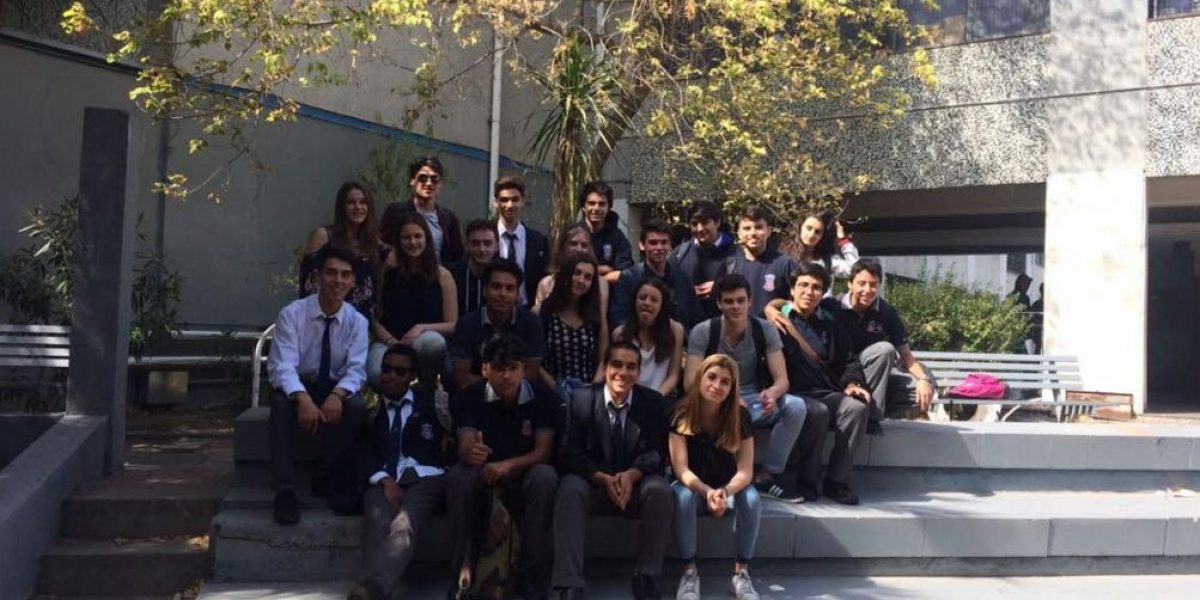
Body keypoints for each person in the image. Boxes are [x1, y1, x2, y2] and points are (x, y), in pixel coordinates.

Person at [552, 341, 673, 600]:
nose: (623, 372)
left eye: (631, 367)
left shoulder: (653, 403)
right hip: (594, 484)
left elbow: (657, 452)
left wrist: (631, 475)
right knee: (569, 489)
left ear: (639, 372)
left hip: (634, 487)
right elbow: (570, 453)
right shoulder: (581, 399)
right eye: (616, 364)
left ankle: (647, 575)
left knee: (660, 491)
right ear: (605, 367)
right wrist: (602, 478)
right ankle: (569, 583)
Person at [446, 334, 559, 600]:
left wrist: (507, 466)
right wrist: (471, 452)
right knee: (459, 477)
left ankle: (531, 574)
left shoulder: (543, 397)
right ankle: (462, 572)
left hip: (523, 471)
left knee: (545, 478)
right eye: (498, 368)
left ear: (523, 369)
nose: (506, 376)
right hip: (483, 472)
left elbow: (543, 452)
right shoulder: (470, 396)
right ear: (485, 369)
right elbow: (465, 443)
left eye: (513, 368)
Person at [267, 245, 369, 525]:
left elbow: (356, 369)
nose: (338, 281)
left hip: (332, 387)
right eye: (331, 273)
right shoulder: (292, 314)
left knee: (356, 407)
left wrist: (337, 395)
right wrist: (303, 399)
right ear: (317, 277)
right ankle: (285, 490)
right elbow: (282, 366)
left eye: (345, 275)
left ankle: (330, 476)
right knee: (280, 403)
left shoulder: (357, 322)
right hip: (298, 385)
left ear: (353, 281)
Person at [685, 274, 806, 503]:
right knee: (733, 412)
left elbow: (782, 380)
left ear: (750, 302)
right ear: (719, 303)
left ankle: (768, 476)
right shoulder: (704, 331)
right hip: (714, 399)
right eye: (729, 301)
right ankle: (724, 477)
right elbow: (690, 382)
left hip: (753, 398)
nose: (735, 306)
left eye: (741, 300)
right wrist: (728, 399)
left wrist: (772, 393)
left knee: (796, 406)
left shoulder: (765, 330)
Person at [349, 345, 452, 600]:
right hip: (383, 476)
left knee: (404, 523)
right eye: (386, 369)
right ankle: (371, 590)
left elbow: (454, 439)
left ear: (412, 376)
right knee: (377, 521)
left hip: (426, 477)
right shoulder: (372, 410)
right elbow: (360, 451)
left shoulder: (433, 403)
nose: (391, 376)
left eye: (400, 371)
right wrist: (384, 480)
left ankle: (371, 590)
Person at [776, 263, 871, 505]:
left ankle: (836, 481)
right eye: (803, 285)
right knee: (817, 412)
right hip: (791, 393)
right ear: (792, 289)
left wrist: (852, 383)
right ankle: (806, 481)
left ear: (822, 293)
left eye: (816, 287)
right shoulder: (778, 321)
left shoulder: (831, 323)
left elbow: (849, 359)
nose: (809, 292)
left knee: (856, 408)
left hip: (826, 391)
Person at [669, 354, 761, 600]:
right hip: (693, 486)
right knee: (682, 497)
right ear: (700, 378)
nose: (717, 385)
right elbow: (680, 468)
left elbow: (746, 471)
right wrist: (706, 491)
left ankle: (741, 573)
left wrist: (724, 492)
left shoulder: (740, 416)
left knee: (752, 499)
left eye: (725, 382)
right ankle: (689, 572)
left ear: (732, 388)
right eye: (711, 377)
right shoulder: (681, 412)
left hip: (727, 488)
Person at [369, 212, 458, 390]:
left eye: (418, 236)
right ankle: (391, 404)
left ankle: (425, 389)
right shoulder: (386, 272)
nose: (413, 242)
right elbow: (372, 316)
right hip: (388, 341)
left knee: (434, 343)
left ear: (427, 239)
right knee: (376, 373)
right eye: (406, 237)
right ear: (398, 241)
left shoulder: (442, 275)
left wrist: (421, 328)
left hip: (422, 343)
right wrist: (390, 341)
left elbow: (452, 324)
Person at [448, 258, 545, 389]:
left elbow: (531, 374)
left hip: (518, 395)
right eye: (496, 287)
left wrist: (502, 388)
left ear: (517, 294)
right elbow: (462, 378)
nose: (503, 294)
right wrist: (500, 387)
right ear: (484, 290)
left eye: (510, 288)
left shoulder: (531, 323)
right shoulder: (466, 324)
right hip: (477, 394)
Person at [298, 181, 390, 318]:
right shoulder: (324, 236)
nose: (358, 207)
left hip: (363, 322)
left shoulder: (371, 243)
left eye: (363, 202)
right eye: (351, 202)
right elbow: (308, 284)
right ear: (342, 207)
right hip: (326, 319)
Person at [533, 251, 608, 402]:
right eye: (577, 273)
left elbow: (604, 359)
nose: (581, 280)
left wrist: (591, 388)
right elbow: (533, 361)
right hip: (549, 395)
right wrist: (556, 388)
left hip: (588, 397)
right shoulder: (541, 312)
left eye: (588, 277)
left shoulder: (596, 315)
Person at [609, 218, 700, 329]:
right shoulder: (629, 279)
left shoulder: (683, 279)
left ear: (670, 245)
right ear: (642, 245)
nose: (659, 248)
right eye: (653, 243)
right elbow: (619, 319)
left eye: (664, 242)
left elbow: (696, 318)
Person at [379, 157, 465, 264]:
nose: (429, 183)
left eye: (434, 179)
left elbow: (457, 257)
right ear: (412, 180)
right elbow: (381, 245)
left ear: (440, 184)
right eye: (423, 178)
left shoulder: (449, 219)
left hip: (437, 273)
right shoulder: (395, 212)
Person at [612, 277, 685, 398]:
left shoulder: (675, 330)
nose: (647, 303)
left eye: (654, 300)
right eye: (642, 298)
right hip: (629, 398)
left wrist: (655, 398)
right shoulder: (620, 334)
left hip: (661, 398)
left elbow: (673, 375)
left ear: (662, 305)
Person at [670, 201, 736, 321]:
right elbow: (669, 289)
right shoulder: (679, 254)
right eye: (694, 224)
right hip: (688, 325)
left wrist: (719, 288)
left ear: (717, 223)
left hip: (724, 324)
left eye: (705, 223)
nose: (700, 229)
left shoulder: (735, 253)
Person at [494, 175, 550, 307]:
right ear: (495, 202)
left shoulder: (538, 241)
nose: (509, 205)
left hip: (528, 311)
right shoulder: (486, 240)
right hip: (494, 309)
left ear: (523, 201)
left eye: (515, 200)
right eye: (504, 200)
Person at [730, 206, 797, 317]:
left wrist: (781, 310)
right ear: (739, 233)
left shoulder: (785, 264)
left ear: (769, 231)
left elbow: (796, 303)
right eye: (747, 228)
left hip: (774, 328)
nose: (753, 233)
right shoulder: (730, 265)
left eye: (758, 227)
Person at [533, 225, 611, 317]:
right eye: (573, 244)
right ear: (563, 247)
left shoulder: (600, 284)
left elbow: (601, 320)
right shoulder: (547, 283)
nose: (579, 249)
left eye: (584, 245)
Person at [578, 180, 634, 282]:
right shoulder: (573, 235)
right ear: (583, 207)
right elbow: (566, 269)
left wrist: (597, 281)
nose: (596, 208)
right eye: (591, 203)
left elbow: (625, 273)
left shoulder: (617, 237)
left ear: (608, 208)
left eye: (601, 204)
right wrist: (604, 269)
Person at [783, 210, 859, 282]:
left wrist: (843, 240)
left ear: (822, 236)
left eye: (817, 232)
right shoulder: (784, 257)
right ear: (800, 228)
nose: (811, 235)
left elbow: (854, 270)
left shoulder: (827, 261)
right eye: (808, 228)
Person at [447, 219, 499, 315]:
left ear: (496, 246)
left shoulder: (503, 275)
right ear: (466, 245)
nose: (482, 249)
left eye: (487, 243)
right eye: (475, 243)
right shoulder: (451, 275)